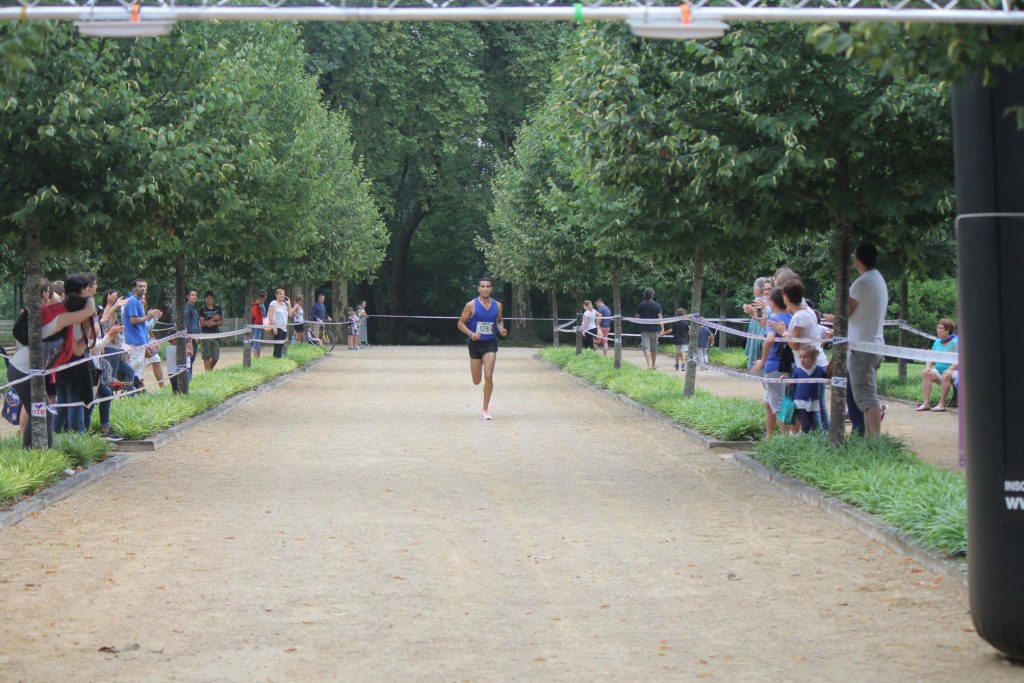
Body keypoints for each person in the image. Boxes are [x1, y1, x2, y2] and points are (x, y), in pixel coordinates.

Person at [6, 280, 96, 448]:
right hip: (23, 372)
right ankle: (37, 451)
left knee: (42, 412)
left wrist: (87, 327)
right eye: (50, 293)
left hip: (32, 372)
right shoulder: (56, 319)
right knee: (42, 412)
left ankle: (35, 451)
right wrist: (89, 297)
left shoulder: (64, 327)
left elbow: (78, 350)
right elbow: (88, 310)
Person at [846, 243, 888, 436]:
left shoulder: (861, 283)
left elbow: (847, 310)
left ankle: (874, 441)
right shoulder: (878, 279)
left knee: (867, 398)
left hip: (862, 347)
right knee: (866, 396)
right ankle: (869, 439)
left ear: (857, 260)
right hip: (874, 344)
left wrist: (835, 320)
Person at [457, 276, 508, 420]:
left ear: (491, 289)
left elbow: (499, 320)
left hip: (490, 343)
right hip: (475, 345)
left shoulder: (497, 305)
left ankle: (485, 409)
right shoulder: (471, 305)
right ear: (479, 289)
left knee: (489, 375)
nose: (485, 289)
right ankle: (478, 368)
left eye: (488, 286)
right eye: (483, 286)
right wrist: (471, 333)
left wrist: (501, 329)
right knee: (476, 380)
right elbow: (460, 323)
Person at [752, 288, 794, 436]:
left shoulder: (774, 319)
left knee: (778, 404)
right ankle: (770, 437)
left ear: (773, 303)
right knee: (769, 402)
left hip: (774, 366)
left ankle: (786, 439)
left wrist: (762, 361)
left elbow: (769, 340)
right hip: (789, 365)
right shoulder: (792, 318)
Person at [122, 278, 164, 389]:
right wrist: (148, 317)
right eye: (140, 286)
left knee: (139, 370)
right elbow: (133, 320)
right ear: (134, 288)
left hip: (140, 341)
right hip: (135, 342)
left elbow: (144, 326)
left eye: (144, 286)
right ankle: (133, 393)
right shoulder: (133, 301)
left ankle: (137, 391)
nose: (142, 288)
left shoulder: (138, 301)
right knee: (135, 371)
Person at [917, 318, 959, 412]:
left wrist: (949, 369)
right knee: (926, 373)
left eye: (940, 328)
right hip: (939, 371)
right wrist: (928, 367)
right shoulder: (937, 341)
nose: (937, 330)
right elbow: (931, 356)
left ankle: (941, 404)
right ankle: (926, 403)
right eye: (937, 328)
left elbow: (958, 359)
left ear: (947, 330)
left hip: (955, 372)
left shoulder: (956, 342)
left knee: (946, 375)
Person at [792, 345, 828, 432]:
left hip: (813, 402)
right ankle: (804, 437)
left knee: (811, 424)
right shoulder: (797, 371)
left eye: (805, 357)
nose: (802, 359)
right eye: (800, 357)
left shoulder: (819, 370)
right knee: (806, 425)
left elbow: (827, 378)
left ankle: (807, 438)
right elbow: (791, 384)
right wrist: (785, 379)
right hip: (800, 403)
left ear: (814, 359)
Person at [635, 287, 666, 370]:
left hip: (644, 330)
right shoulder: (657, 305)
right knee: (654, 349)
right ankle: (653, 365)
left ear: (644, 295)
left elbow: (636, 318)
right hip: (655, 330)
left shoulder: (641, 305)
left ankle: (648, 365)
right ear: (652, 295)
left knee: (646, 348)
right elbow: (660, 318)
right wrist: (662, 329)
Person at [743, 277, 770, 369]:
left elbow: (759, 315)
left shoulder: (759, 301)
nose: (754, 291)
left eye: (754, 289)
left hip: (760, 327)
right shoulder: (768, 301)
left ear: (758, 290)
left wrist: (751, 312)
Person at [199, 290, 224, 372]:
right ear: (205, 299)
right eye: (207, 298)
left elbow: (222, 321)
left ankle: (209, 370)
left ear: (213, 299)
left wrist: (214, 323)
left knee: (216, 356)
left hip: (216, 335)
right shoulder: (202, 309)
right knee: (206, 356)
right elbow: (202, 324)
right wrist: (213, 319)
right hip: (205, 335)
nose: (209, 299)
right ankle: (208, 373)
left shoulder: (218, 308)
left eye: (211, 298)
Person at [265, 289, 290, 359]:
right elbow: (270, 315)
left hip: (284, 327)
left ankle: (278, 359)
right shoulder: (273, 303)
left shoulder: (284, 304)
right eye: (280, 294)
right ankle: (276, 358)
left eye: (283, 294)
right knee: (278, 345)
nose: (282, 295)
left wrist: (289, 304)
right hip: (277, 327)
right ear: (276, 295)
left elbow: (290, 314)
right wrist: (274, 327)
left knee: (281, 345)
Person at [251, 290, 268, 359]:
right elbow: (257, 319)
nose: (266, 298)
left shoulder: (262, 305)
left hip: (261, 326)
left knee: (259, 343)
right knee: (256, 343)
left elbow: (263, 316)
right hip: (256, 327)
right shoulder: (255, 306)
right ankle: (255, 359)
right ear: (261, 297)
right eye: (265, 296)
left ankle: (258, 358)